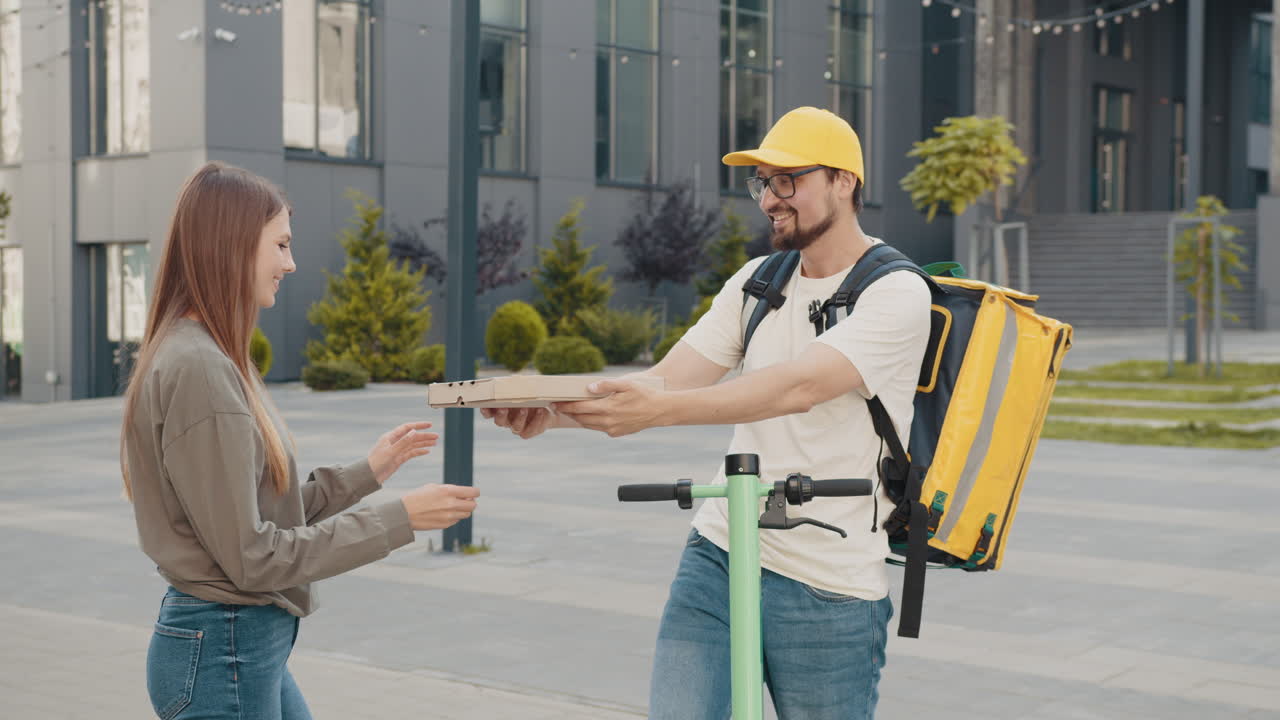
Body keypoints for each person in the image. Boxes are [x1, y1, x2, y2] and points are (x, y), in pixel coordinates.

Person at [483, 107, 931, 718]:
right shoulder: (757, 281)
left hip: (829, 584)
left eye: (786, 180)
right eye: (761, 184)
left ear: (843, 182)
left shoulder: (898, 292)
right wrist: (551, 410)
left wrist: (657, 411)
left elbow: (798, 386)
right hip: (721, 555)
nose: (769, 199)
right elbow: (663, 381)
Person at [120, 161, 479, 719]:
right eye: (281, 245)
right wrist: (399, 518)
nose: (291, 263)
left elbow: (260, 518)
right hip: (224, 653)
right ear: (233, 243)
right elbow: (253, 556)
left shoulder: (210, 354)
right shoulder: (200, 367)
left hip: (236, 648)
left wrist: (368, 473)